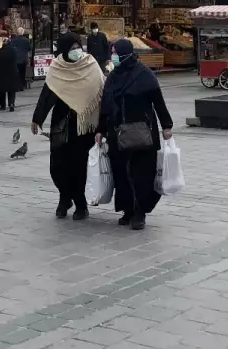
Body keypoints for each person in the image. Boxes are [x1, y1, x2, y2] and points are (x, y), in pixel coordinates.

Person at [96, 39, 173, 230]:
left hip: (142, 132)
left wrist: (166, 125)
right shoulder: (113, 76)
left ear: (125, 54)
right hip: (117, 132)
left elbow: (158, 101)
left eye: (115, 52)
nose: (112, 55)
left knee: (142, 174)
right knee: (121, 173)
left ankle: (140, 212)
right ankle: (127, 209)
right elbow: (105, 105)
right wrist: (100, 129)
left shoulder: (144, 74)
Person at [31, 32, 104, 220]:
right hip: (62, 124)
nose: (76, 51)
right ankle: (64, 197)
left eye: (77, 47)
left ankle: (80, 204)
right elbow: (48, 94)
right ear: (63, 51)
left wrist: (104, 125)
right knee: (58, 166)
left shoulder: (90, 64)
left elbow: (101, 93)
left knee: (79, 167)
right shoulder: (57, 68)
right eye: (72, 49)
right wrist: (37, 119)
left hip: (84, 126)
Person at [0, 35, 22, 111]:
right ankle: (11, 103)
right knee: (11, 90)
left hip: (1, 74)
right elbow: (17, 61)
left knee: (1, 91)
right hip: (12, 73)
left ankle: (2, 105)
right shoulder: (14, 51)